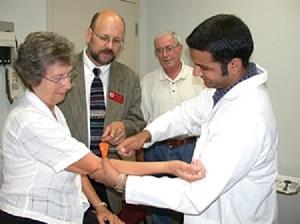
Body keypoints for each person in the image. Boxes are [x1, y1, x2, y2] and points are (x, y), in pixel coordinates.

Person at [0, 31, 204, 224]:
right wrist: (169, 167)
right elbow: (95, 167)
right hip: (30, 216)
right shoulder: (29, 120)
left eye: (68, 75)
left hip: (61, 211)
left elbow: (73, 166)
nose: (68, 85)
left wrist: (99, 206)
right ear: (32, 78)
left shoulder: (53, 111)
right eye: (58, 78)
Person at [92, 14, 279, 224]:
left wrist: (122, 182)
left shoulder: (248, 117)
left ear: (234, 65)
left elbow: (194, 194)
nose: (197, 73)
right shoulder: (222, 89)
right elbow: (184, 114)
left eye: (204, 67)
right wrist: (146, 135)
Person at [58, 9, 145, 221]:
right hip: (70, 172)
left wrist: (123, 126)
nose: (109, 46)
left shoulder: (129, 78)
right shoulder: (63, 71)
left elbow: (137, 120)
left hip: (109, 172)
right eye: (104, 38)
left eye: (117, 41)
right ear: (89, 34)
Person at [140, 31, 205, 224]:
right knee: (159, 203)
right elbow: (144, 120)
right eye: (159, 51)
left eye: (169, 48)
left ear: (179, 49)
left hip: (189, 149)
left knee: (193, 201)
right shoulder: (148, 82)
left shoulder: (199, 78)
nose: (165, 54)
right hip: (157, 150)